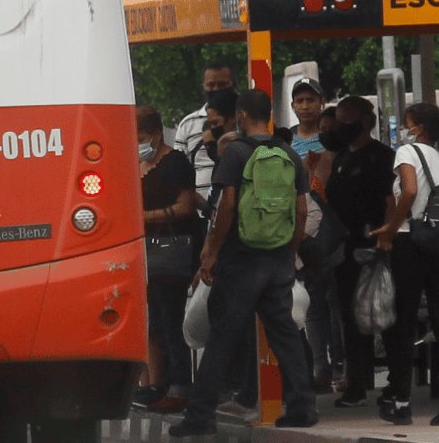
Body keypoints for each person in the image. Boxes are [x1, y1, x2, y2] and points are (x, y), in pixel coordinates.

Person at [168, 90, 318, 437]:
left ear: (240, 116)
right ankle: (302, 407)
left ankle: (200, 415)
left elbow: (227, 207)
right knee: (285, 336)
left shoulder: (235, 153)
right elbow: (301, 210)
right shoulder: (289, 154)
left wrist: (212, 252)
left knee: (221, 338)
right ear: (268, 115)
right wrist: (288, 250)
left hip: (240, 261)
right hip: (278, 261)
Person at [371, 102, 439, 426]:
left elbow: (410, 190)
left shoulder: (407, 152)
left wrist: (390, 227)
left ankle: (401, 403)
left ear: (418, 127)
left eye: (407, 124)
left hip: (412, 243)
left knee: (403, 323)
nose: (404, 129)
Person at [322, 96, 396, 408]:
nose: (339, 126)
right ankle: (357, 383)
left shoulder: (380, 157)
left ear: (365, 121)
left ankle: (396, 382)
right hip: (344, 247)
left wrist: (387, 235)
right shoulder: (339, 157)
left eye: (345, 120)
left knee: (381, 313)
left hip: (372, 245)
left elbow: (390, 198)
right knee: (351, 317)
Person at [134, 106, 199, 413]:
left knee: (172, 320)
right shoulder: (138, 163)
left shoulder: (175, 163)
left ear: (157, 134)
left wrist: (145, 217)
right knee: (155, 321)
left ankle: (181, 386)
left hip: (170, 250)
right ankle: (159, 384)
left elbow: (186, 206)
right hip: (145, 253)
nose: (137, 143)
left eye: (141, 137)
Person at [300, 106, 345, 395]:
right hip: (316, 243)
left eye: (333, 128)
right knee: (315, 306)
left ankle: (341, 366)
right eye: (323, 129)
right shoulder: (312, 161)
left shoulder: (348, 161)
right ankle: (321, 368)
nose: (327, 133)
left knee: (338, 306)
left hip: (341, 243)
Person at [174, 62, 237, 201]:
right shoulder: (188, 124)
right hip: (201, 211)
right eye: (211, 85)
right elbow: (178, 172)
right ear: (203, 87)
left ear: (233, 84)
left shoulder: (245, 119)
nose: (216, 90)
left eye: (222, 85)